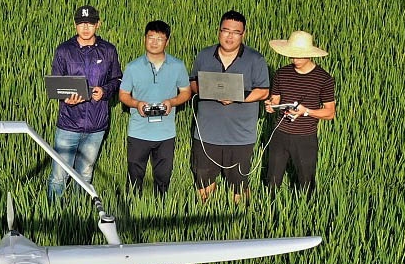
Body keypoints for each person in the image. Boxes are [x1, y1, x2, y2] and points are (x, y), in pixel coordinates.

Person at [190, 10, 269, 203]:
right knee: (203, 184)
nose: (230, 36)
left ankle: (242, 217)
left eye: (236, 32)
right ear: (219, 31)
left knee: (239, 187)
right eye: (226, 31)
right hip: (206, 134)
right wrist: (210, 92)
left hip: (240, 136)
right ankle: (206, 216)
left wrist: (236, 97)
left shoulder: (255, 59)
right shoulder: (204, 55)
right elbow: (192, 83)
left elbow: (263, 91)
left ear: (243, 34)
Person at [48, 5, 122, 200]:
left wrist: (105, 91)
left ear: (98, 24)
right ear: (75, 25)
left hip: (96, 126)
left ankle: (79, 211)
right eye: (81, 23)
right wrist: (66, 98)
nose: (86, 27)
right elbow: (55, 82)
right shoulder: (64, 50)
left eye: (90, 23)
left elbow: (117, 79)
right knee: (58, 176)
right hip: (68, 124)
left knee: (85, 174)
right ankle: (52, 214)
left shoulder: (108, 50)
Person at [118, 21, 192, 196]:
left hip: (166, 133)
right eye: (150, 37)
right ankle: (132, 207)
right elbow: (123, 95)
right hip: (138, 131)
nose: (154, 42)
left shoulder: (178, 66)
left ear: (167, 41)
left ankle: (161, 207)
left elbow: (186, 92)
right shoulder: (133, 67)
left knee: (163, 177)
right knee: (134, 177)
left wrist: (172, 102)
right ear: (144, 38)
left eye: (159, 39)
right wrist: (137, 104)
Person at [264, 30, 335, 193]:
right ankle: (269, 205)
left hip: (305, 137)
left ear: (309, 54)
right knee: (272, 179)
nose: (294, 59)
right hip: (280, 133)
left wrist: (305, 111)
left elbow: (330, 113)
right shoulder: (282, 73)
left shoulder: (324, 79)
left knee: (306, 181)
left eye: (299, 56)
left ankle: (307, 206)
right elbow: (275, 98)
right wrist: (271, 105)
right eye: (292, 55)